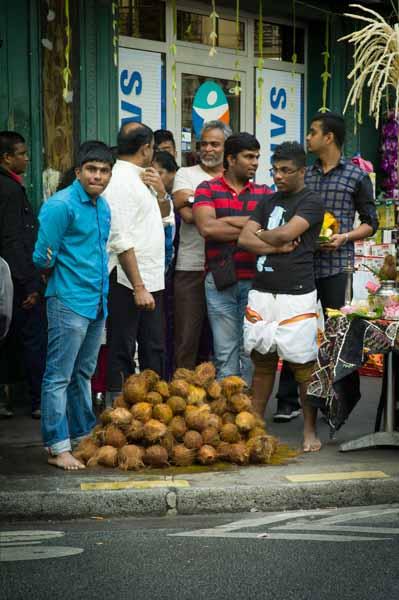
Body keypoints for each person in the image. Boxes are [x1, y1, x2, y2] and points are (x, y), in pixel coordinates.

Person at [274, 113, 378, 423]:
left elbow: (371, 224)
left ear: (329, 137)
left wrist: (344, 236)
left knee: (338, 335)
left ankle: (339, 401)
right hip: (301, 264)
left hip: (336, 265)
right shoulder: (304, 175)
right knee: (297, 329)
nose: (307, 138)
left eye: (313, 132)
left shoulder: (356, 177)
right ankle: (287, 401)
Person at [33, 141, 114, 470]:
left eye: (104, 171)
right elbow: (42, 256)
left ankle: (82, 437)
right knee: (58, 376)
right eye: (91, 170)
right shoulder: (61, 205)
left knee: (83, 373)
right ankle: (56, 446)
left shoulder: (102, 206)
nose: (98, 176)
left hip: (96, 301)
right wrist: (56, 280)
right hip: (68, 300)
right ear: (79, 172)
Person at [239, 141, 324, 451]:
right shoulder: (267, 200)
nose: (279, 176)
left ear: (302, 171)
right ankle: (254, 430)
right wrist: (272, 243)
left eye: (287, 171)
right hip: (262, 292)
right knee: (261, 364)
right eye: (275, 170)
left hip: (297, 293)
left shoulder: (312, 201)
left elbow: (287, 233)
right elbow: (243, 238)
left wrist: (262, 236)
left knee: (303, 367)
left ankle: (310, 432)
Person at [194, 132, 272, 386]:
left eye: (257, 157)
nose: (255, 163)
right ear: (230, 158)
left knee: (250, 350)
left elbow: (273, 231)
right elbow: (207, 228)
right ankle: (229, 410)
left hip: (258, 282)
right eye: (249, 157)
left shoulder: (264, 192)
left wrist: (226, 222)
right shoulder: (207, 188)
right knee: (225, 352)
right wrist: (252, 229)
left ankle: (246, 411)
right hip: (219, 280)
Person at [104, 123, 167, 400]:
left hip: (151, 278)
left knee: (153, 347)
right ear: (146, 149)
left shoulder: (144, 176)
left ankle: (154, 407)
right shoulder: (118, 180)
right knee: (123, 347)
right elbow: (120, 239)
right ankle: (120, 411)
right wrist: (138, 285)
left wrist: (162, 191)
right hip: (127, 279)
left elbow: (164, 218)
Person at [172, 120, 231, 370]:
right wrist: (223, 210)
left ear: (227, 149)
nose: (207, 149)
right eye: (203, 143)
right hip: (191, 267)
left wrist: (197, 201)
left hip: (227, 267)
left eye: (214, 144)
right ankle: (181, 399)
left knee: (225, 341)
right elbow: (185, 214)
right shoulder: (185, 173)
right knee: (187, 338)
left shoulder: (234, 177)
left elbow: (194, 211)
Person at [0, 131, 47, 419]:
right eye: (22, 153)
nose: (27, 158)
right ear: (7, 158)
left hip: (9, 277)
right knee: (32, 338)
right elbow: (13, 239)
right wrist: (29, 283)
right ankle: (38, 400)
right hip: (13, 280)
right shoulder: (9, 190)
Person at [152, 150, 178, 379]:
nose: (154, 177)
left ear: (172, 174)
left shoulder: (166, 199)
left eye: (159, 172)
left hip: (166, 273)